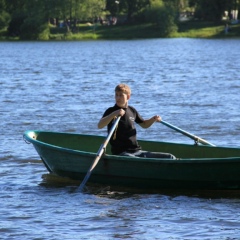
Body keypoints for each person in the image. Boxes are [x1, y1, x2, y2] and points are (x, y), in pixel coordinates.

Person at [98, 83, 176, 159]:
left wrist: (154, 119)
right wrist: (114, 114)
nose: (118, 98)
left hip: (137, 151)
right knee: (131, 158)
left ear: (128, 97)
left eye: (121, 95)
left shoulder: (132, 110)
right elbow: (100, 125)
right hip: (121, 153)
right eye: (116, 95)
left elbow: (144, 125)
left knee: (170, 157)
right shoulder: (111, 111)